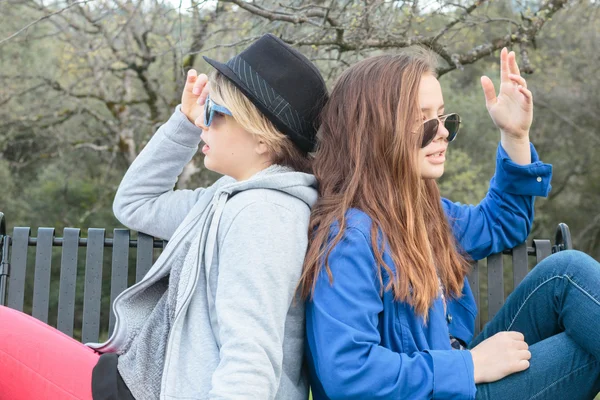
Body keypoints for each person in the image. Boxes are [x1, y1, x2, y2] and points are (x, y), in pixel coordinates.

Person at [0, 33, 328, 400]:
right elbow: (136, 202)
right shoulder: (227, 199)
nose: (204, 122)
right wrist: (184, 124)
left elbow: (250, 358)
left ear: (262, 139)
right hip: (128, 375)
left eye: (214, 113)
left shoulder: (264, 216)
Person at [301, 47, 600, 399]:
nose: (441, 132)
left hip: (457, 374)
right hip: (440, 386)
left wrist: (515, 136)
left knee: (566, 272)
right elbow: (348, 373)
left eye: (444, 118)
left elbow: (502, 223)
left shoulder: (424, 212)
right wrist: (470, 365)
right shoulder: (350, 239)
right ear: (376, 131)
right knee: (585, 351)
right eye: (424, 120)